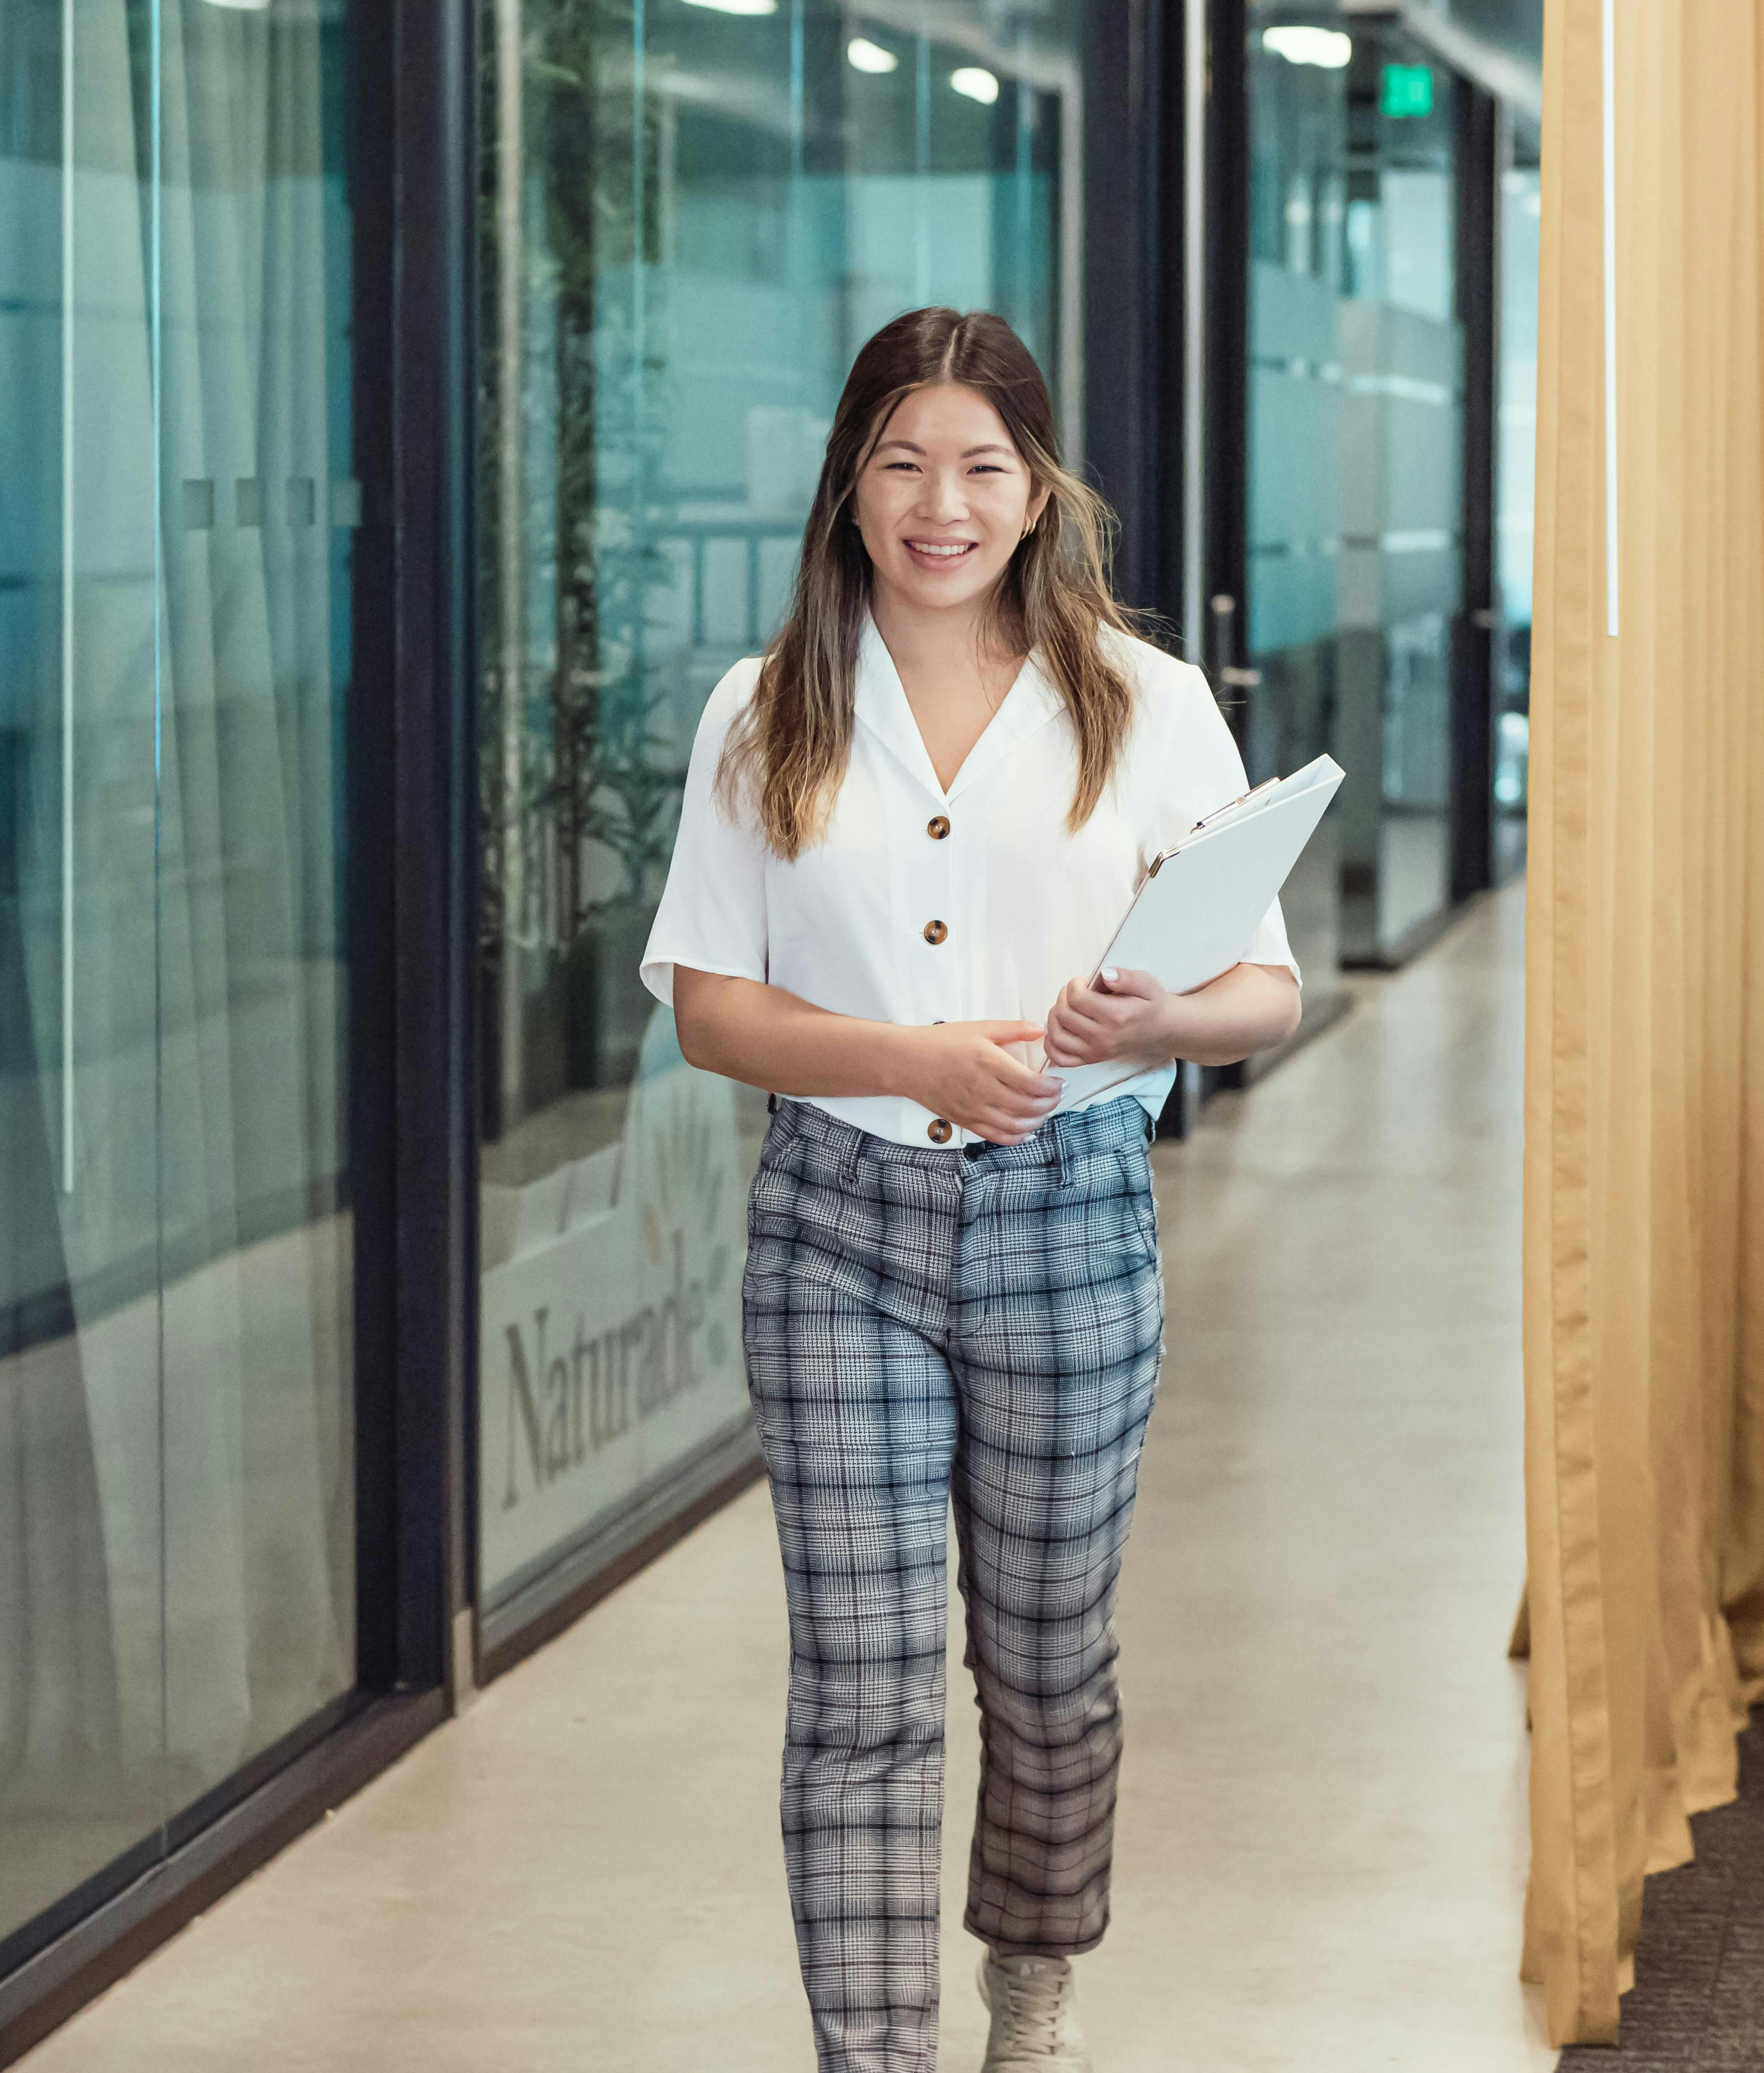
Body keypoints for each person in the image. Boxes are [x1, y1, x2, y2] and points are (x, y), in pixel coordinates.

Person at [641, 306, 1302, 2073]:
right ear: (850, 482)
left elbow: (1269, 989)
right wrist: (911, 1060)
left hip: (1069, 1221)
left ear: (1035, 493)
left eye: (980, 467)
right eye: (901, 461)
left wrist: (1164, 1006)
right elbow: (710, 1008)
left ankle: (1031, 1977)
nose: (940, 503)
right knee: (858, 1687)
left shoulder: (1147, 705)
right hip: (834, 1233)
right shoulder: (761, 708)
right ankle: (877, 2055)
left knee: (1045, 1666)